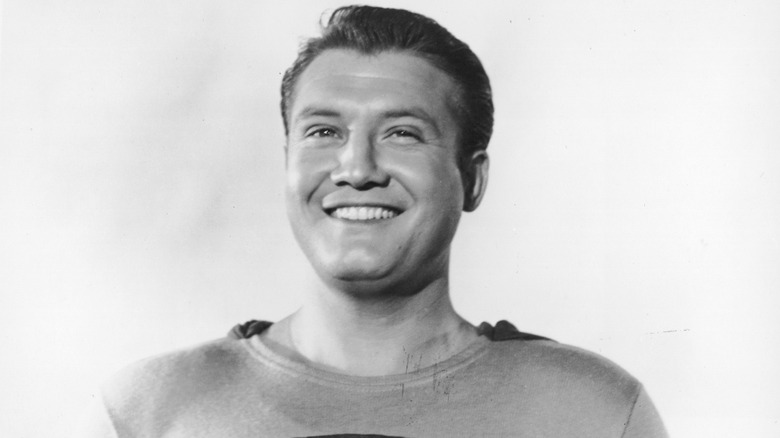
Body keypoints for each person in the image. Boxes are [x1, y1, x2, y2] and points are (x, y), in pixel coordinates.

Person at [83, 6, 667, 437]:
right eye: (323, 132)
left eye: (402, 134)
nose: (356, 168)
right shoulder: (148, 411)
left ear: (473, 178)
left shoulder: (594, 412)